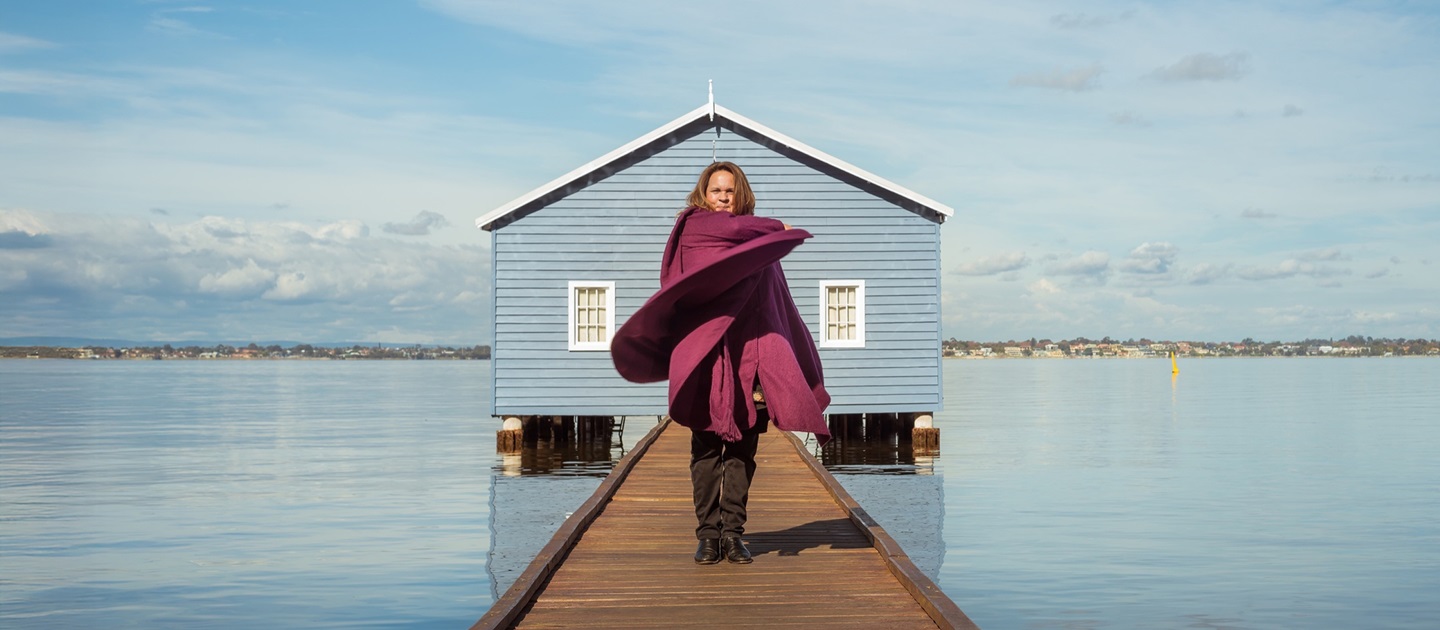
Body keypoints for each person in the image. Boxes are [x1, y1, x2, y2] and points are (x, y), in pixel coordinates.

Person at [610, 161, 831, 565]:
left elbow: (776, 304)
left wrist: (786, 356)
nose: (724, 198)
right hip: (708, 358)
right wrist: (776, 226)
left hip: (752, 359)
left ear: (740, 194)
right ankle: (708, 536)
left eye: (730, 191)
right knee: (707, 450)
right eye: (716, 190)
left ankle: (733, 535)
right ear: (704, 194)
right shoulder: (696, 227)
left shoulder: (760, 249)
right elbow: (733, 229)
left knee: (743, 451)